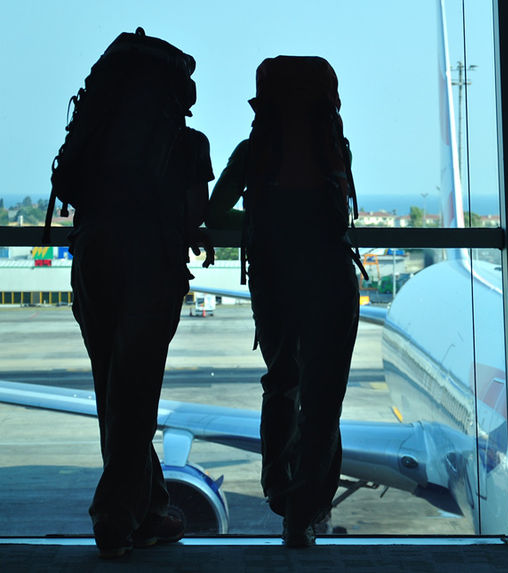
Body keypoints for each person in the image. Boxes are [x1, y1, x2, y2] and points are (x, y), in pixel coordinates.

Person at [57, 29, 215, 558]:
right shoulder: (188, 144)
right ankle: (114, 518)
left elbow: (71, 186)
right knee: (138, 393)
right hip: (151, 267)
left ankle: (149, 511)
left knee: (113, 391)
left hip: (92, 259)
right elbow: (194, 214)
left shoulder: (98, 132)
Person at [205, 56, 360, 548]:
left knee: (281, 383)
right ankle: (304, 511)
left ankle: (278, 489)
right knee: (323, 398)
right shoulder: (333, 149)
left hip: (274, 278)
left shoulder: (252, 151)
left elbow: (214, 214)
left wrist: (258, 227)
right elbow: (339, 217)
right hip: (329, 276)